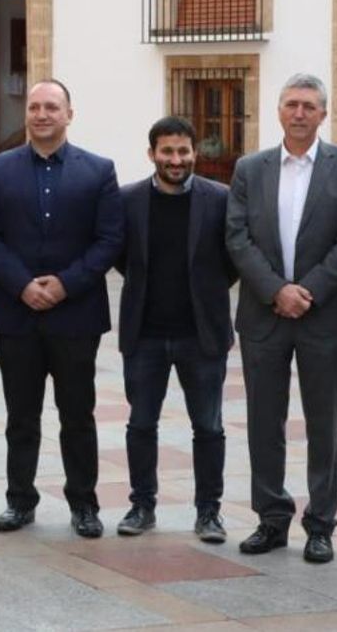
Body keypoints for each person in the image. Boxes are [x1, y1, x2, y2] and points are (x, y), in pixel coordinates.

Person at [225, 72, 337, 563]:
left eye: (309, 105)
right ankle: (271, 517)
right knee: (264, 422)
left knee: (324, 425)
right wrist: (275, 291)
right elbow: (237, 237)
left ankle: (321, 524)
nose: (300, 112)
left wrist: (306, 292)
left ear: (323, 113)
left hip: (324, 315)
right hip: (264, 315)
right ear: (279, 111)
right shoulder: (250, 168)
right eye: (291, 104)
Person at [0, 79, 124, 538]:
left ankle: (84, 504)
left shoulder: (99, 171)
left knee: (77, 414)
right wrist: (22, 285)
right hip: (17, 314)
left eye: (51, 107)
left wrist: (64, 284)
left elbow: (110, 240)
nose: (41, 114)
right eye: (35, 107)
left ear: (69, 114)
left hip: (75, 315)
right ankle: (20, 501)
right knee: (22, 416)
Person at [114, 116, 236, 541]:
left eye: (183, 151)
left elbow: (233, 259)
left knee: (209, 427)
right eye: (167, 151)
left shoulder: (220, 199)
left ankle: (209, 512)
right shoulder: (127, 200)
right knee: (141, 424)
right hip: (144, 334)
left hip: (201, 335)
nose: (176, 159)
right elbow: (120, 256)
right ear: (152, 155)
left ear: (194, 153)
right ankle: (141, 506)